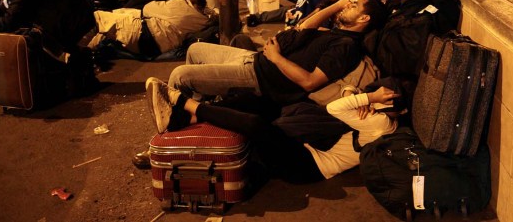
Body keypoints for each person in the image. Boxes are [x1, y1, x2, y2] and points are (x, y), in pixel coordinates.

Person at [144, 77, 402, 182]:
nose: (380, 98)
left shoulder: (381, 123)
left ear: (398, 110)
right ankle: (179, 122)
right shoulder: (375, 116)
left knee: (256, 125)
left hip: (308, 165)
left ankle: (180, 101)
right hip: (310, 141)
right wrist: (364, 96)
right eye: (380, 93)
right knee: (259, 102)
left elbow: (335, 109)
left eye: (386, 98)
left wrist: (369, 99)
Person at [167, 0, 388, 105]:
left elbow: (310, 81)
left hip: (260, 76)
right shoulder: (337, 32)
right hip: (254, 59)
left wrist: (276, 57)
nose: (349, 5)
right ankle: (196, 108)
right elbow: (303, 28)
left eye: (354, 5)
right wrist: (338, 5)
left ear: (364, 18)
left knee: (180, 76)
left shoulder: (346, 46)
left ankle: (171, 128)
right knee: (195, 50)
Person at [88, 0, 211, 59]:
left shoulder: (178, 5)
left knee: (97, 17)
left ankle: (77, 51)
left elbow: (147, 9)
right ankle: (87, 49)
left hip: (144, 34)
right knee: (121, 14)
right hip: (156, 48)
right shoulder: (204, 20)